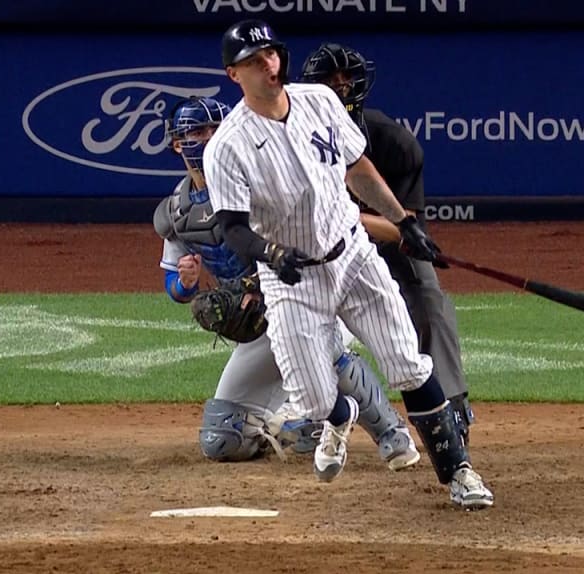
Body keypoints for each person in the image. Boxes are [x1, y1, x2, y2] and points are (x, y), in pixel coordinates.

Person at [203, 19, 493, 508]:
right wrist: (271, 253)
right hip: (292, 280)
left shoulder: (319, 101)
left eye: (272, 53)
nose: (269, 65)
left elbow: (358, 169)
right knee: (313, 399)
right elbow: (232, 227)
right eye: (255, 61)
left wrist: (404, 223)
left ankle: (460, 473)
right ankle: (340, 417)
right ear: (234, 74)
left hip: (354, 257)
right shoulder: (226, 147)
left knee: (408, 365)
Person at [153, 95, 422, 471]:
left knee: (326, 349)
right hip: (259, 325)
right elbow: (174, 287)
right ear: (177, 144)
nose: (210, 137)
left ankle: (392, 433)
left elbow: (332, 222)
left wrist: (394, 230)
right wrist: (186, 283)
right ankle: (297, 416)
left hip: (307, 297)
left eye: (215, 128)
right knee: (222, 439)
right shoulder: (177, 212)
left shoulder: (259, 179)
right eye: (198, 131)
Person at [299, 42, 475, 443]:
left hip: (385, 245)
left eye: (347, 78)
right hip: (321, 249)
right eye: (330, 78)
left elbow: (403, 227)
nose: (340, 86)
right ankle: (312, 412)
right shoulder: (289, 142)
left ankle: (451, 408)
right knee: (296, 318)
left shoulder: (392, 141)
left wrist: (388, 227)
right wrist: (347, 219)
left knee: (429, 300)